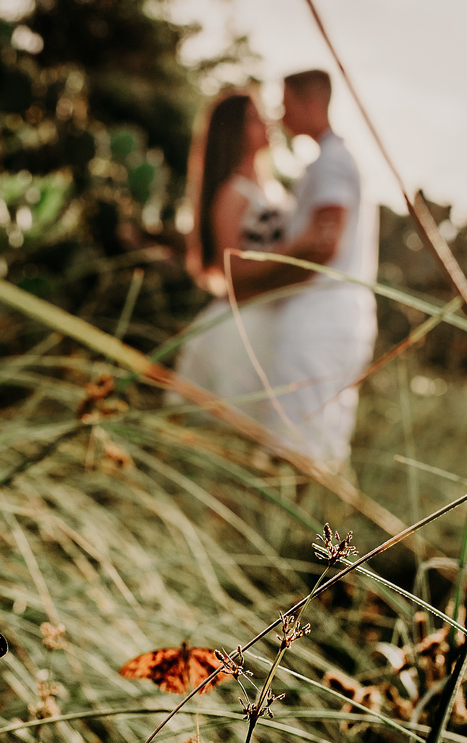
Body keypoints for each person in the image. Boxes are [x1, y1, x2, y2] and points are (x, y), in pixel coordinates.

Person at [167, 90, 331, 423]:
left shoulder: (274, 189)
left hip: (273, 322)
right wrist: (296, 250)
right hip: (241, 328)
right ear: (235, 131)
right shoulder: (233, 193)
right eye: (254, 119)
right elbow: (233, 269)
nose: (267, 123)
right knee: (231, 423)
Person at [255, 69, 378, 467]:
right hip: (337, 316)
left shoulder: (331, 162)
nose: (280, 113)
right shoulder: (331, 161)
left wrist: (259, 281)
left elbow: (324, 243)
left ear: (311, 102)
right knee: (319, 439)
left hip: (319, 318)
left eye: (286, 102)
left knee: (293, 442)